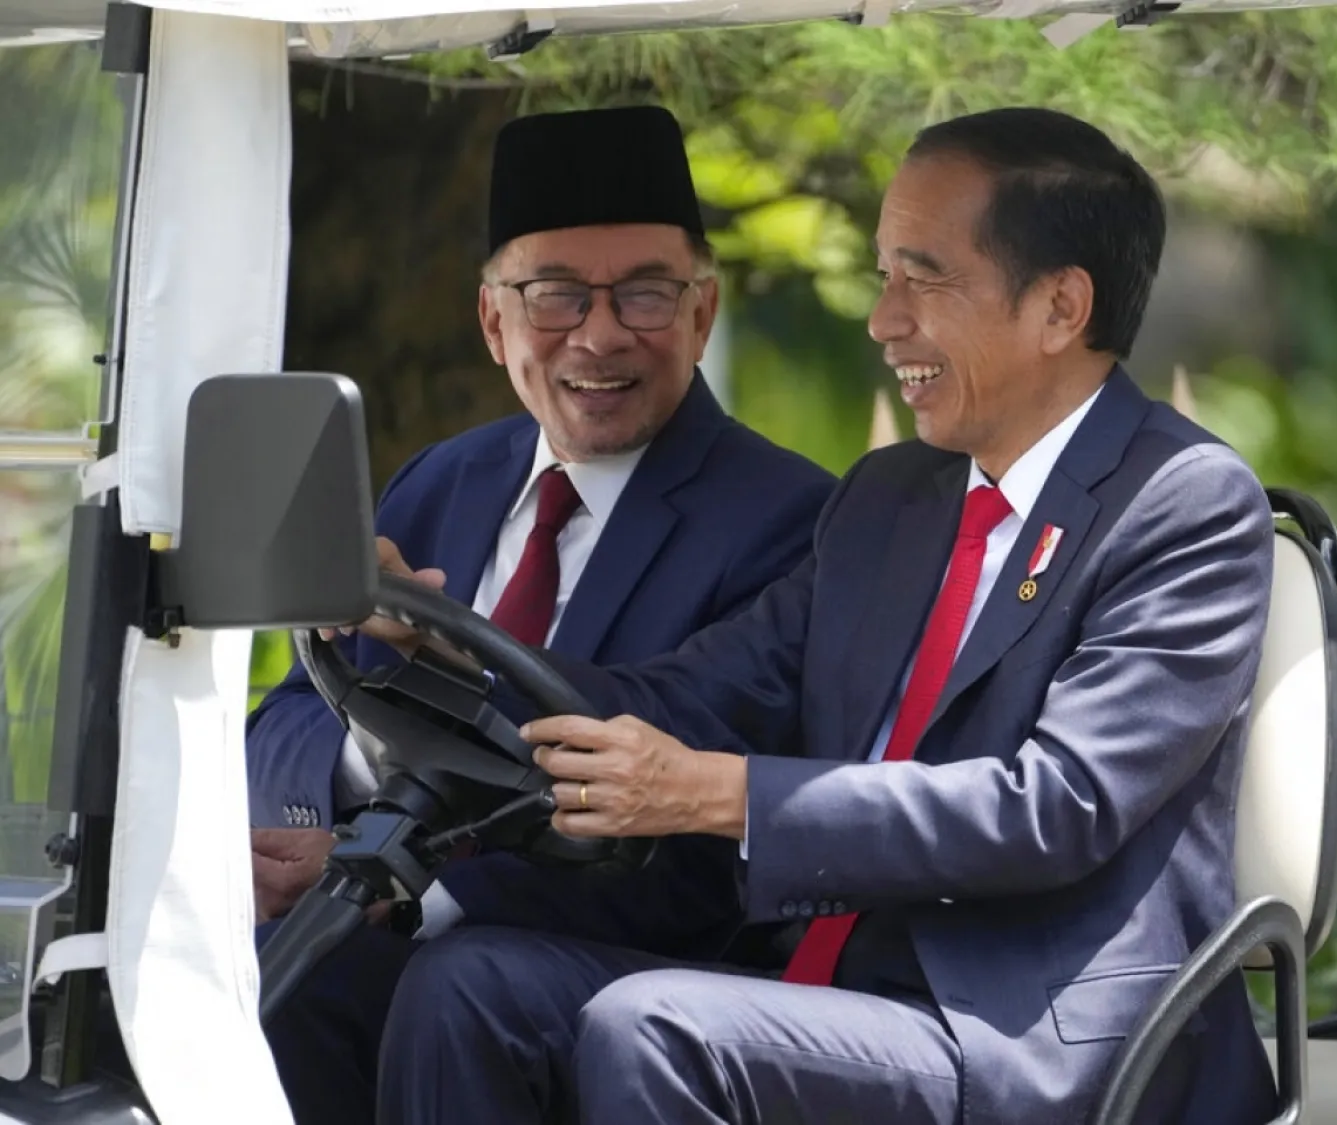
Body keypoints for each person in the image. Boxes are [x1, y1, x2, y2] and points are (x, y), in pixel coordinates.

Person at [368, 106, 1282, 1125]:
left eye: (921, 278)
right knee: (467, 983)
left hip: (1027, 1034)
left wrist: (726, 797)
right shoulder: (894, 499)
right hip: (830, 990)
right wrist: (446, 660)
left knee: (653, 1027)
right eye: (884, 276)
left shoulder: (1184, 500)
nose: (883, 321)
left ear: (1061, 306)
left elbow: (1051, 808)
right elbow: (705, 693)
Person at [247, 104, 835, 1123]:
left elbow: (710, 850)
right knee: (279, 973)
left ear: (703, 312)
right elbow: (290, 720)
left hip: (639, 966)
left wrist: (414, 889)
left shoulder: (790, 519)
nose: (600, 335)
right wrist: (360, 785)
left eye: (646, 294)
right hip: (414, 926)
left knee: (452, 981)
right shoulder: (443, 481)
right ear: (494, 322)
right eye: (556, 295)